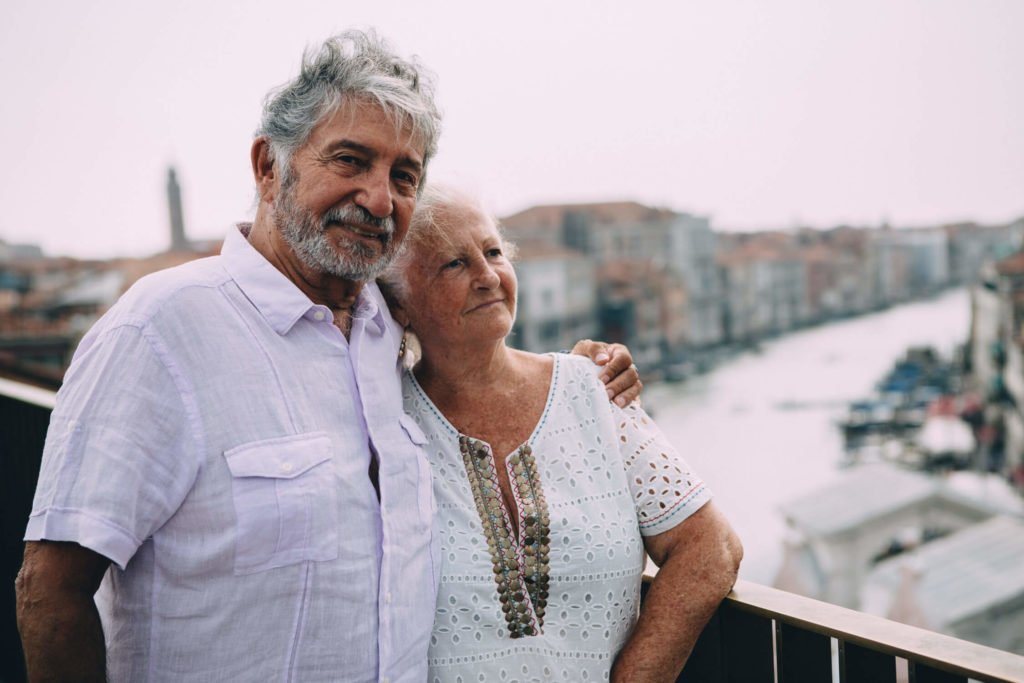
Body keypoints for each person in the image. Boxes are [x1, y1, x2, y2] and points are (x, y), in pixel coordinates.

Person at [14, 32, 638, 682]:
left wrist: (587, 372)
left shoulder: (385, 331)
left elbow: (477, 357)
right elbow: (49, 590)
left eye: (404, 176)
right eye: (350, 160)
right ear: (267, 166)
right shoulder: (159, 328)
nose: (378, 199)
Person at [379, 185, 743, 683]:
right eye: (453, 265)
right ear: (400, 304)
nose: (488, 277)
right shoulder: (382, 424)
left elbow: (710, 548)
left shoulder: (591, 389)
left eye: (493, 253)